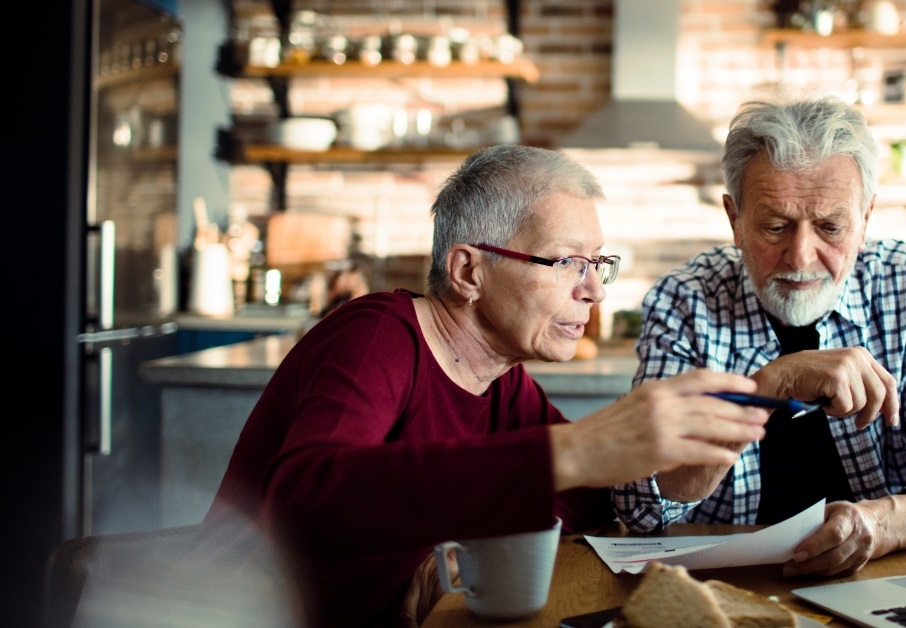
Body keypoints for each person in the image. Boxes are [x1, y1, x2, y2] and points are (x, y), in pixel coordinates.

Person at [193, 144, 770, 628]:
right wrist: (570, 452)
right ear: (469, 271)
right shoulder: (378, 335)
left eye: (599, 263)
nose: (594, 290)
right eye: (568, 262)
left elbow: (586, 496)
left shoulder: (502, 381)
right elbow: (306, 500)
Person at [612, 92, 906, 578]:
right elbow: (643, 505)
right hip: (723, 589)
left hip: (885, 576)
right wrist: (763, 389)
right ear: (734, 219)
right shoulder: (685, 301)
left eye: (829, 227)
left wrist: (879, 523)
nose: (801, 256)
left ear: (865, 220)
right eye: (776, 226)